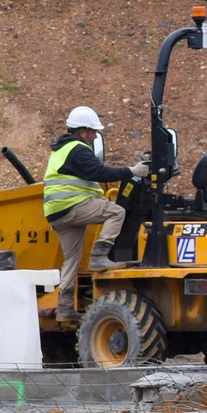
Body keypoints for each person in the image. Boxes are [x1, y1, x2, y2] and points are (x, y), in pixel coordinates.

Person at [44, 106, 147, 323]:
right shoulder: (78, 149)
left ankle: (64, 308)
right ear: (83, 132)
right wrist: (132, 171)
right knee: (116, 212)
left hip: (56, 212)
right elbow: (100, 173)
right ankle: (100, 256)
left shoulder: (61, 150)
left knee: (71, 259)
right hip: (72, 205)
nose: (95, 136)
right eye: (93, 132)